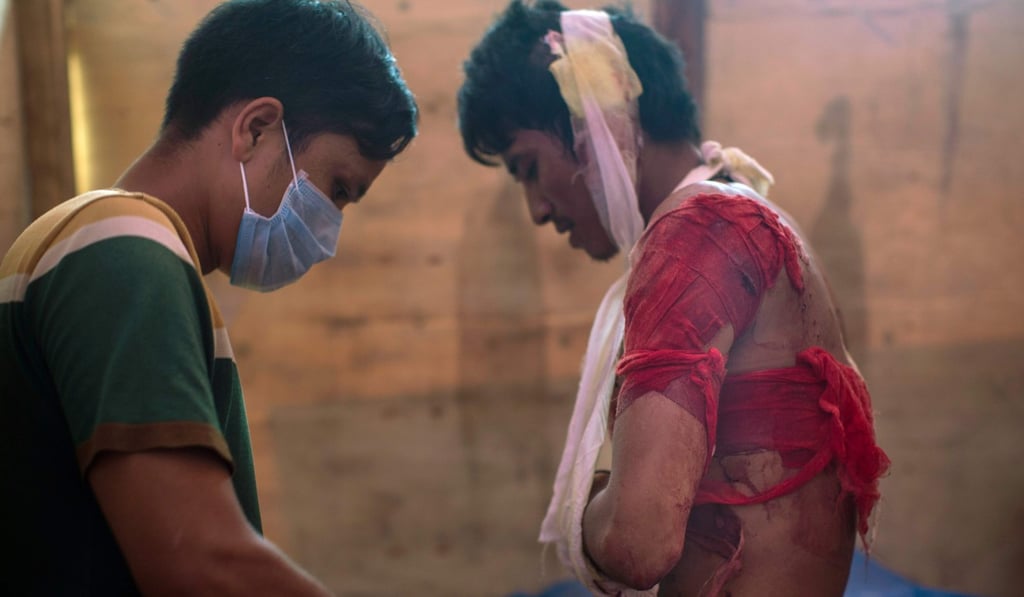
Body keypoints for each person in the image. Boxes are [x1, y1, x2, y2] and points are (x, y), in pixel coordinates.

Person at [458, 2, 889, 595]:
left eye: (528, 166)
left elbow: (638, 544)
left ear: (592, 122)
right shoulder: (745, 213)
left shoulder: (700, 230)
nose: (536, 209)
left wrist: (579, 510)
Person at [0, 1, 417, 594]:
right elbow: (197, 561)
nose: (328, 233)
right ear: (256, 129)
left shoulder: (84, 241)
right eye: (339, 188)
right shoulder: (124, 251)